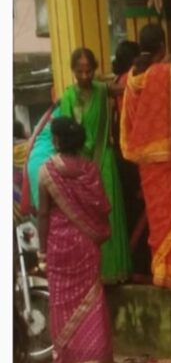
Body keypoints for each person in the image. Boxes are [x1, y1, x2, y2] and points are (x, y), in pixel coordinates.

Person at [120, 24, 171, 288]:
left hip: (147, 164)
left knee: (159, 218)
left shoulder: (131, 78)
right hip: (169, 157)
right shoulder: (165, 73)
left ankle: (164, 270)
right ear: (162, 47)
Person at [36, 117, 115, 363]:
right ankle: (96, 356)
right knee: (92, 297)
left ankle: (68, 359)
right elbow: (102, 207)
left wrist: (42, 252)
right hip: (86, 244)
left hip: (59, 245)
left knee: (61, 300)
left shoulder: (47, 171)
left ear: (56, 140)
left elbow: (43, 214)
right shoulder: (90, 170)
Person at [59, 47, 131, 283]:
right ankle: (92, 273)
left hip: (104, 161)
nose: (85, 76)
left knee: (108, 215)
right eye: (80, 71)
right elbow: (66, 135)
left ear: (95, 70)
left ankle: (114, 271)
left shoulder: (101, 90)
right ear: (73, 71)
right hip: (80, 164)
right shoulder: (68, 97)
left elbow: (126, 88)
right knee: (86, 219)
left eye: (89, 71)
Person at [112, 40, 150, 280]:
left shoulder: (115, 81)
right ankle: (140, 266)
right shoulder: (132, 80)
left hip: (119, 153)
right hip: (135, 155)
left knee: (129, 212)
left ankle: (132, 264)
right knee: (141, 212)